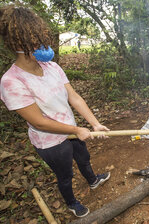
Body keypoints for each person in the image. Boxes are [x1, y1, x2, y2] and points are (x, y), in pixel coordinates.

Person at [0, 5, 110, 218]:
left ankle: (93, 180)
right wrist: (76, 129)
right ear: (18, 44)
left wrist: (94, 123)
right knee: (65, 174)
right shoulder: (11, 81)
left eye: (41, 38)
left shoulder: (52, 67)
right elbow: (39, 122)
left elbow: (74, 97)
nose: (43, 45)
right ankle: (71, 202)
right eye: (35, 41)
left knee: (83, 157)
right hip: (49, 141)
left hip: (72, 129)